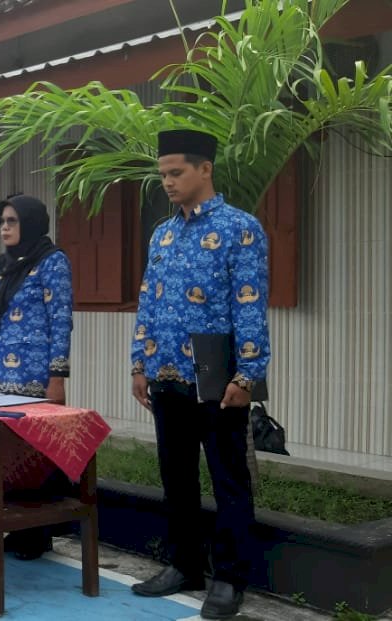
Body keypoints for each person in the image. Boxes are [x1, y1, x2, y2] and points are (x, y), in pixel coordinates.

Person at [129, 129, 270, 621]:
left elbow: (250, 305)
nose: (167, 182)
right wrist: (139, 363)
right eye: (162, 174)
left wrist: (248, 373)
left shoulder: (241, 228)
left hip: (217, 378)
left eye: (176, 173)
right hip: (166, 372)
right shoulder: (161, 234)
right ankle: (185, 565)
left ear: (204, 169)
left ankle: (230, 578)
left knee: (228, 480)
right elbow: (148, 300)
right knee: (177, 477)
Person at [0, 193, 75, 559]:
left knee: (32, 457)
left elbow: (60, 321)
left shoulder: (52, 262)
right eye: (1, 221)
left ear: (30, 223)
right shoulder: (5, 265)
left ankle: (37, 533)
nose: (4, 227)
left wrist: (57, 376)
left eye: (12, 221)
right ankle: (13, 527)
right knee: (4, 459)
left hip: (32, 378)